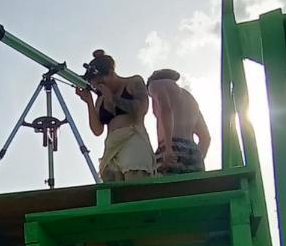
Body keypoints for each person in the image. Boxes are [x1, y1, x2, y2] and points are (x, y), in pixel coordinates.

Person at [76, 50, 155, 181]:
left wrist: (113, 99)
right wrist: (89, 101)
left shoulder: (133, 82)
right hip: (112, 146)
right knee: (114, 192)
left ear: (111, 74)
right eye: (96, 85)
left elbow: (142, 109)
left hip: (132, 139)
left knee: (136, 184)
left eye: (101, 83)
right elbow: (97, 130)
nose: (99, 88)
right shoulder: (100, 99)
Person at [146, 69, 210, 174]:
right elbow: (206, 137)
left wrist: (168, 147)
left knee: (167, 189)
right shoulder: (190, 98)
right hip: (193, 150)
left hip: (171, 147)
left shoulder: (155, 85)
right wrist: (197, 159)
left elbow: (166, 109)